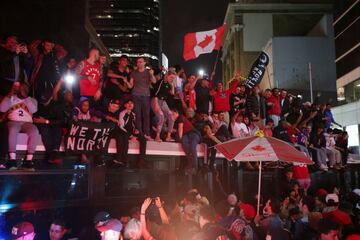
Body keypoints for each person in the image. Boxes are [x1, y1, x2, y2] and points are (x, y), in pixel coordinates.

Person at [0, 83, 40, 171]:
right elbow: (2, 109)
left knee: (35, 131)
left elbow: (34, 110)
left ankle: (28, 161)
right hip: (13, 121)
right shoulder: (11, 98)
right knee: (13, 129)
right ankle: (12, 159)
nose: (22, 89)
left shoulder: (32, 100)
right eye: (21, 88)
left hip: (27, 123)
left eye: (25, 88)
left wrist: (25, 97)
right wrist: (10, 94)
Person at [29, 38, 67, 106]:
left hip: (49, 83)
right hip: (38, 81)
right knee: (35, 101)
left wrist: (54, 45)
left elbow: (64, 52)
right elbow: (31, 47)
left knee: (47, 102)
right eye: (47, 45)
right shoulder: (38, 55)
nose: (49, 47)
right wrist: (41, 40)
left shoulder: (55, 55)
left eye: (50, 45)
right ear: (43, 45)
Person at [129, 57, 156, 140]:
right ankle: (139, 133)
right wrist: (126, 83)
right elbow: (131, 85)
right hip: (135, 95)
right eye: (137, 62)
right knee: (137, 115)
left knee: (146, 115)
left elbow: (154, 81)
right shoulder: (133, 73)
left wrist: (151, 74)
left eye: (140, 62)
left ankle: (147, 133)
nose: (139, 63)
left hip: (146, 96)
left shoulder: (148, 72)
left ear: (144, 63)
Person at [117, 99, 147, 168]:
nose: (130, 104)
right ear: (125, 105)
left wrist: (136, 130)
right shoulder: (122, 113)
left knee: (143, 139)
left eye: (131, 103)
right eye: (128, 103)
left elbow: (134, 125)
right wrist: (130, 135)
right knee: (125, 140)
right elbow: (121, 127)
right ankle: (124, 161)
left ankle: (141, 161)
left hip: (131, 132)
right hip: (124, 131)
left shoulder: (133, 114)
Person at [151, 68, 176, 142]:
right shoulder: (161, 82)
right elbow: (155, 93)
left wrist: (172, 84)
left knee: (171, 117)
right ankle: (157, 136)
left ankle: (168, 136)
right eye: (171, 77)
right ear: (167, 76)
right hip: (155, 100)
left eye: (173, 78)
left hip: (163, 101)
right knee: (161, 116)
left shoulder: (169, 84)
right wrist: (156, 105)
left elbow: (172, 93)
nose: (172, 79)